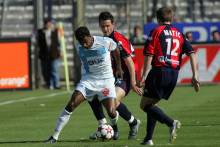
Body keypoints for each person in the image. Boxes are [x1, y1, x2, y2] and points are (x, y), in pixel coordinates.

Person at [45, 26, 119, 143]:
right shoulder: (78, 45)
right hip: (88, 81)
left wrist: (119, 68)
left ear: (90, 36)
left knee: (111, 112)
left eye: (85, 41)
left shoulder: (105, 42)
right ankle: (54, 136)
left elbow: (116, 50)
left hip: (106, 80)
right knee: (71, 104)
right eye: (81, 42)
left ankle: (114, 127)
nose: (84, 45)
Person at [139, 7, 200, 145]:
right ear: (171, 18)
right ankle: (148, 138)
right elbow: (192, 53)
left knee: (144, 105)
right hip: (173, 74)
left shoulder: (156, 31)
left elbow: (149, 55)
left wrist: (143, 76)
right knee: (152, 104)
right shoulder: (179, 33)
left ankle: (171, 122)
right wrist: (195, 75)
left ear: (158, 19)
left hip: (159, 71)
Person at [89, 11, 142, 140]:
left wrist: (134, 83)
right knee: (93, 96)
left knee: (112, 100)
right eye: (103, 26)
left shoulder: (117, 40)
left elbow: (129, 62)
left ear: (113, 24)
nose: (105, 29)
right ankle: (106, 127)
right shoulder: (103, 40)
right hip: (111, 77)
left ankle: (132, 123)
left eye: (108, 26)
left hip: (126, 76)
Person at [37, 18, 61, 89]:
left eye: (49, 23)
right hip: (44, 54)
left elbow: (60, 42)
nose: (48, 24)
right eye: (47, 23)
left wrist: (61, 51)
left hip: (54, 54)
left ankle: (56, 84)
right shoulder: (40, 32)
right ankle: (48, 84)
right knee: (45, 71)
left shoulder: (56, 31)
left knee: (54, 70)